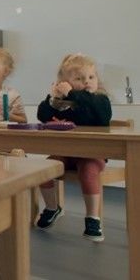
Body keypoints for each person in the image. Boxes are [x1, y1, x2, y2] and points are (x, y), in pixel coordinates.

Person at [35, 53, 112, 242]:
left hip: (92, 155)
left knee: (88, 171)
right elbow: (42, 115)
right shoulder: (65, 104)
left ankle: (93, 218)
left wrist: (72, 93)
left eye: (91, 77)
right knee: (44, 169)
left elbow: (102, 116)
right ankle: (53, 207)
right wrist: (54, 98)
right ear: (65, 82)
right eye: (79, 78)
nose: (87, 82)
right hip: (66, 154)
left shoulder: (99, 100)